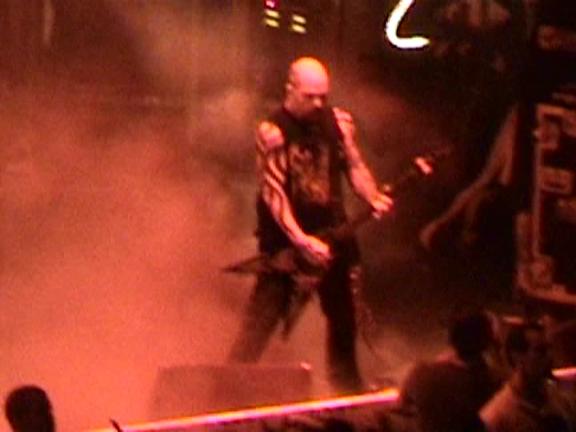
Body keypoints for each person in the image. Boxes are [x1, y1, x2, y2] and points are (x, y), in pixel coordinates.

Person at [227, 56, 393, 394]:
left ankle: (345, 388)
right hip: (287, 245)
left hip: (334, 236)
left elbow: (354, 166)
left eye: (323, 97)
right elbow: (273, 192)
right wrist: (301, 240)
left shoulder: (338, 124)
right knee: (261, 322)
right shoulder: (274, 132)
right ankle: (226, 390)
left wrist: (372, 196)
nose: (318, 104)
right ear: (290, 89)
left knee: (343, 318)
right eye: (309, 97)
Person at [391, 309, 503, 432]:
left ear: (450, 339)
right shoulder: (493, 382)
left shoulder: (422, 372)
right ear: (488, 343)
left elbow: (401, 406)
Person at [480, 322, 576, 432]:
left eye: (550, 349)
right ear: (517, 357)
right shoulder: (497, 416)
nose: (550, 357)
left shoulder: (559, 400)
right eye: (541, 351)